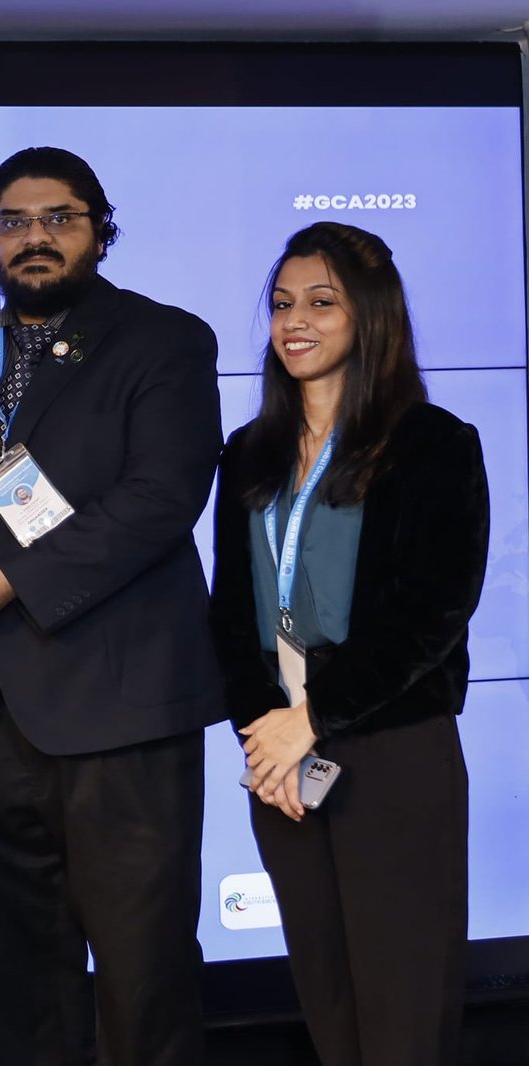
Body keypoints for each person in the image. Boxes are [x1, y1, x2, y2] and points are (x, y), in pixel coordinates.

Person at [0, 147, 222, 1066]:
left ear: (100, 232)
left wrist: (10, 579)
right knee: (13, 979)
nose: (34, 237)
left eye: (59, 219)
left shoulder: (165, 341)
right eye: (12, 222)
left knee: (143, 975)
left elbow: (160, 498)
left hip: (121, 714)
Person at [209, 222, 487, 1066]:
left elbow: (433, 613)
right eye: (282, 304)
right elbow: (230, 614)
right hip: (278, 759)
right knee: (329, 1006)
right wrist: (265, 735)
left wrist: (314, 718)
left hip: (391, 747)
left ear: (370, 317)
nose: (294, 321)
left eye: (321, 303)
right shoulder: (247, 453)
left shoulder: (433, 444)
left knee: (403, 1010)